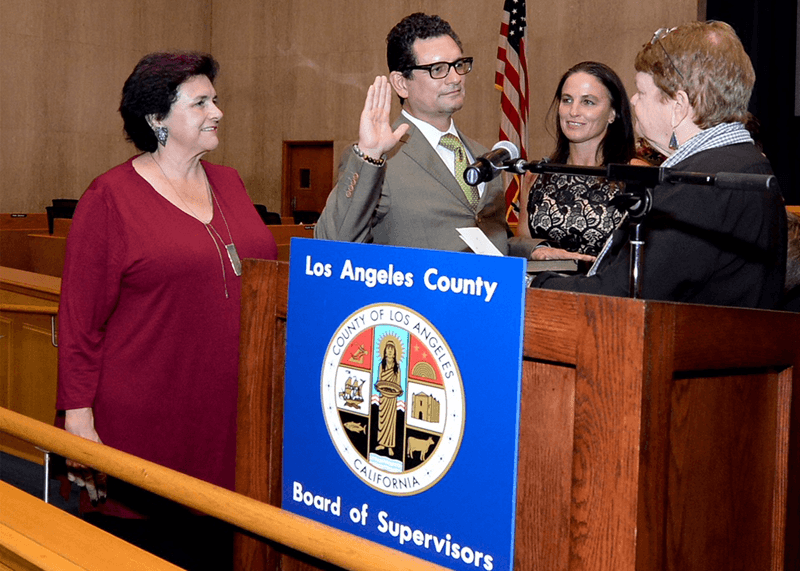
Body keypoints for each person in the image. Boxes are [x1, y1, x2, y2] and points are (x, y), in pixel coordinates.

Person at [56, 52, 277, 568]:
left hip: (232, 413)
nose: (217, 112)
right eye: (200, 102)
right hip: (144, 420)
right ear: (157, 118)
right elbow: (80, 324)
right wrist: (78, 422)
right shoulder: (109, 197)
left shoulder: (232, 183)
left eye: (215, 100)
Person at [531, 21, 786, 309]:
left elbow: (617, 296)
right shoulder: (741, 163)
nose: (634, 102)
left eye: (641, 92)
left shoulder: (700, 184)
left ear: (678, 106)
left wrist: (527, 285)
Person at [314, 13, 512, 254]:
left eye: (459, 65)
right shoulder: (380, 160)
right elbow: (330, 243)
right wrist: (368, 155)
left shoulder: (483, 154)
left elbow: (491, 237)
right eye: (438, 69)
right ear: (401, 83)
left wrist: (532, 250)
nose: (455, 78)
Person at [513, 61, 647, 263]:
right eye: (567, 100)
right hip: (545, 289)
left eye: (588, 102)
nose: (573, 111)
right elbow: (521, 245)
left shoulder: (635, 174)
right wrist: (537, 251)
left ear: (613, 114)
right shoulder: (536, 175)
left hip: (607, 291)